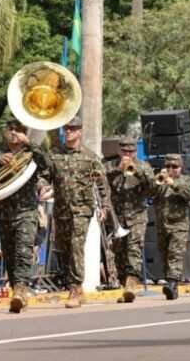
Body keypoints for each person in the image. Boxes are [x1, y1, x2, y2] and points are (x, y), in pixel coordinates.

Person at [0, 115, 52, 312]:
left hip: (26, 211)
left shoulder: (31, 152)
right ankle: (16, 291)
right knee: (9, 254)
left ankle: (20, 290)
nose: (14, 133)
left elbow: (46, 165)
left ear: (24, 133)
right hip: (4, 212)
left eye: (18, 129)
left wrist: (32, 144)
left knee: (23, 251)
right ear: (4, 133)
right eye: (10, 129)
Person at [44, 116, 111, 308]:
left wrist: (105, 206)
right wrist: (42, 186)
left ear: (80, 131)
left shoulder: (90, 157)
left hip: (82, 209)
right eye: (66, 129)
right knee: (64, 249)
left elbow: (102, 183)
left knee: (75, 246)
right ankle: (75, 287)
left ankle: (75, 286)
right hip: (61, 209)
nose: (69, 132)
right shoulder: (54, 154)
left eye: (73, 129)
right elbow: (44, 175)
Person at [104, 136, 155, 303]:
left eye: (131, 151)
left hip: (137, 216)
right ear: (119, 151)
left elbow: (153, 188)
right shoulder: (110, 166)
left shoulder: (143, 166)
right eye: (124, 151)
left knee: (134, 248)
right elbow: (101, 184)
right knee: (119, 253)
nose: (128, 154)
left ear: (135, 152)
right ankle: (124, 285)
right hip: (117, 217)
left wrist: (138, 172)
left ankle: (132, 283)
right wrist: (117, 171)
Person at [152, 153, 190, 300]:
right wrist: (157, 181)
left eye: (174, 167)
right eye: (168, 166)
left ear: (181, 167)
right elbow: (149, 193)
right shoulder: (161, 181)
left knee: (175, 255)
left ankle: (171, 283)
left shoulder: (186, 180)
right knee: (165, 256)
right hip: (162, 225)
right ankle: (173, 286)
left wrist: (173, 183)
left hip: (178, 225)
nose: (171, 169)